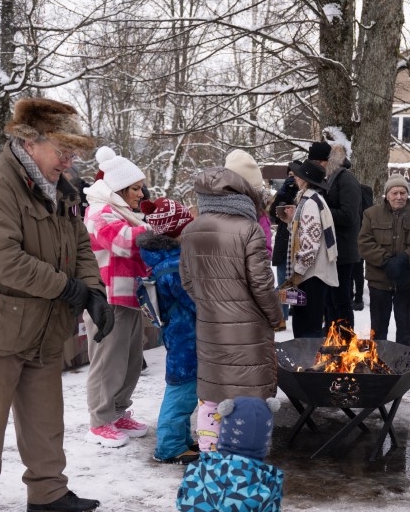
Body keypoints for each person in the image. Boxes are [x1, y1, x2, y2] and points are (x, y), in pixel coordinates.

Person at [0, 97, 112, 512]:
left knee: (45, 417)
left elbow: (78, 243)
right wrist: (68, 288)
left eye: (73, 150)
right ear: (31, 142)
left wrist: (93, 289)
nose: (70, 158)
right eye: (63, 148)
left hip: (41, 323)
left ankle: (47, 491)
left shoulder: (58, 186)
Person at [179, 151, 284, 453]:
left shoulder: (190, 230)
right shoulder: (248, 229)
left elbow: (188, 280)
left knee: (212, 396)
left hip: (210, 327)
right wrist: (274, 315)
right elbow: (262, 285)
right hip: (248, 330)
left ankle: (211, 458)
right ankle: (243, 462)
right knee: (248, 399)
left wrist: (210, 304)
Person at [83, 146, 153, 448]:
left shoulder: (124, 211)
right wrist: (161, 230)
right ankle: (100, 421)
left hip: (130, 296)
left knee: (131, 361)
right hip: (107, 298)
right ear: (120, 188)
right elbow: (123, 242)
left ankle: (119, 411)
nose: (141, 194)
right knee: (108, 362)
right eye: (136, 188)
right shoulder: (99, 211)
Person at [136, 198, 200, 465]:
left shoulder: (168, 259)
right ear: (177, 231)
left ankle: (181, 440)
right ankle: (169, 446)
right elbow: (196, 301)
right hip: (186, 338)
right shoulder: (173, 267)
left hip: (182, 335)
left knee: (185, 390)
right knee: (181, 392)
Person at [357, 173, 410, 345]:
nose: (399, 197)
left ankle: (404, 365)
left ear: (408, 194)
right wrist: (386, 261)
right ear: (387, 194)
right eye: (395, 193)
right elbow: (364, 242)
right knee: (378, 329)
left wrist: (404, 259)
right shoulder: (371, 214)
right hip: (379, 280)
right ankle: (378, 365)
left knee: (405, 328)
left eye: (403, 193)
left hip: (407, 280)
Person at [282, 158, 339, 338]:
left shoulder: (310, 204)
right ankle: (306, 362)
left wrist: (297, 273)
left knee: (306, 327)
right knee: (307, 323)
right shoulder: (312, 201)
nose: (295, 178)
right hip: (312, 273)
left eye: (297, 176)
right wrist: (291, 222)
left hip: (311, 274)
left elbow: (310, 244)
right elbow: (307, 234)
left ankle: (306, 364)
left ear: (304, 180)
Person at [311, 139, 361, 331]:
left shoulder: (346, 180)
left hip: (343, 252)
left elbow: (349, 216)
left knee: (341, 300)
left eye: (316, 163)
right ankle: (332, 338)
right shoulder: (330, 179)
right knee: (329, 301)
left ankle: (347, 342)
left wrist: (320, 211)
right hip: (331, 251)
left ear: (325, 162)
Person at [269, 166, 299, 318]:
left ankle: (296, 310)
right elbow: (273, 214)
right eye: (289, 175)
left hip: (299, 243)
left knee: (295, 282)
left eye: (295, 175)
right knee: (283, 282)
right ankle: (282, 316)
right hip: (283, 241)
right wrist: (283, 192)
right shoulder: (284, 192)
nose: (292, 178)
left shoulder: (305, 194)